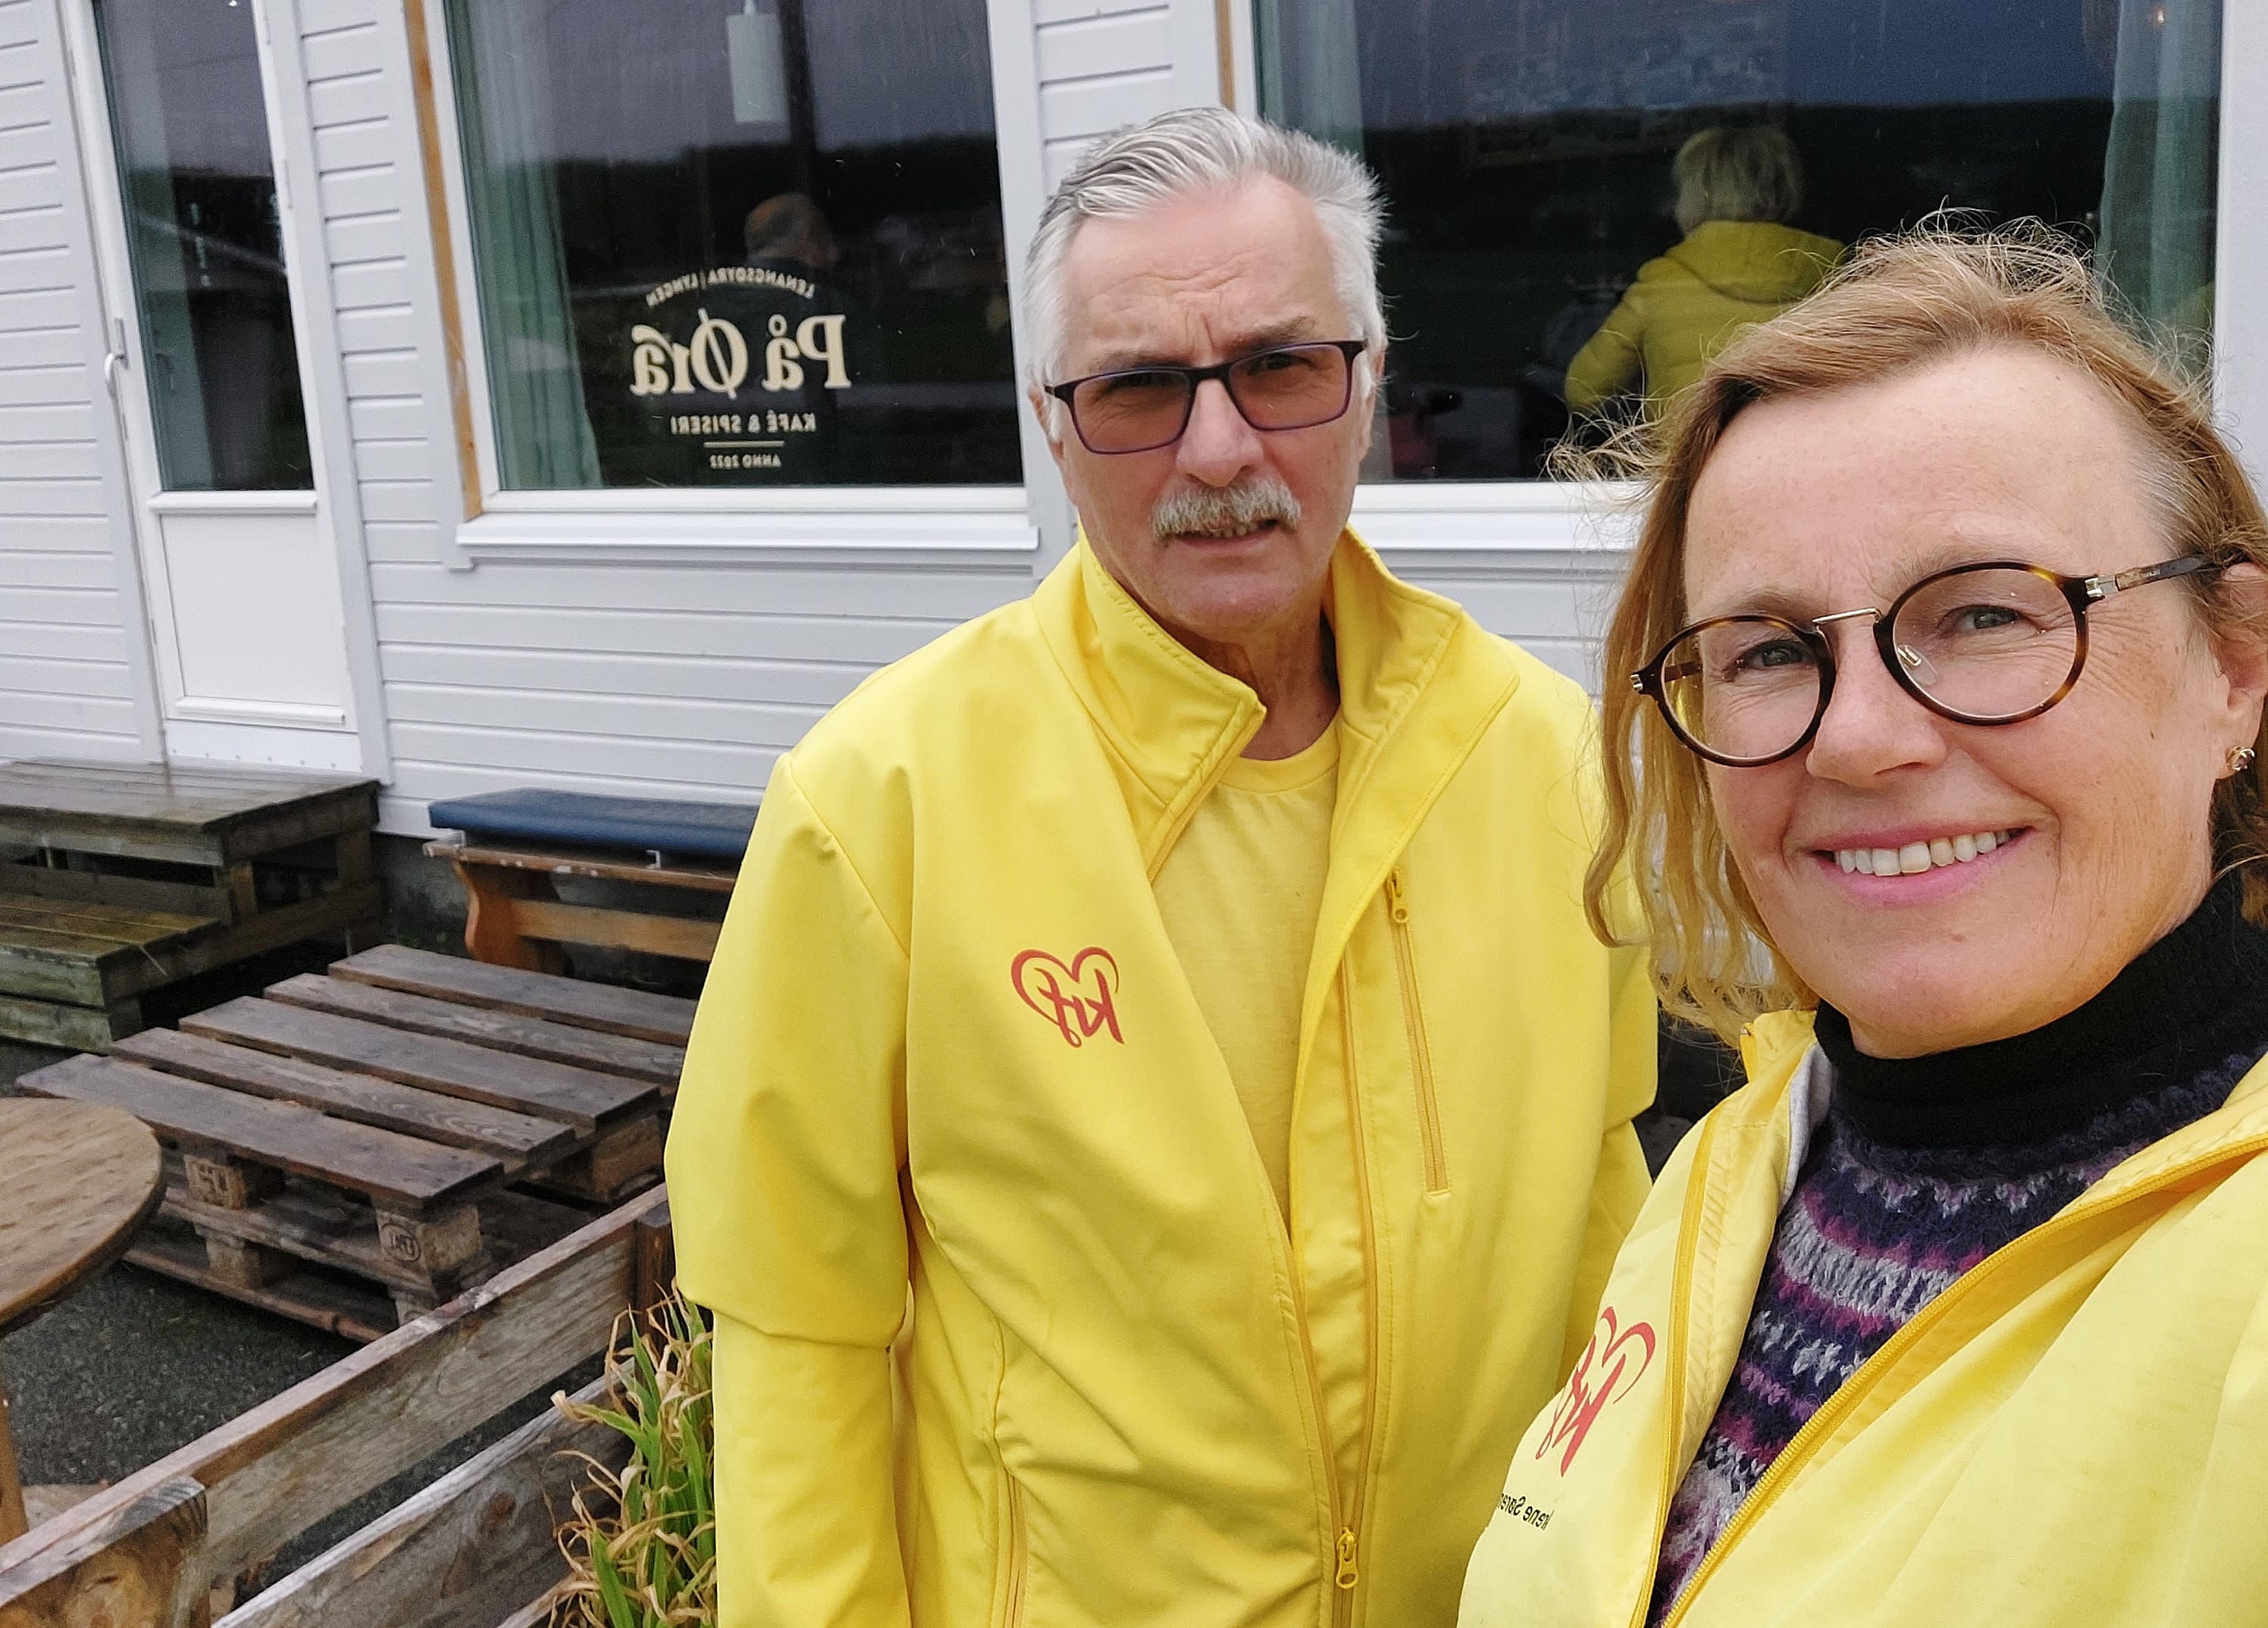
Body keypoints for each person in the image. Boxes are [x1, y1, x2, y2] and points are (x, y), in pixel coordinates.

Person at [668, 106, 1657, 1627]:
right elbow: (799, 1330)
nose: (1218, 449)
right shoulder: (877, 806)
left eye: (1279, 366)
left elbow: (1599, 1225)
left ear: (1368, 380)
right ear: (1051, 425)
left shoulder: (1543, 762)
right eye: (1136, 387)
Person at [1460, 226, 2268, 1627]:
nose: (1860, 738)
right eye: (1771, 650)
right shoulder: (1746, 1159)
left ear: (2236, 668)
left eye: (1986, 615)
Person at [1563, 127, 1840, 417]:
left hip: (1691, 447)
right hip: (1806, 447)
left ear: (1695, 196)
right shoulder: (1835, 277)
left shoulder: (1661, 284)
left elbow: (1583, 391)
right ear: (1785, 189)